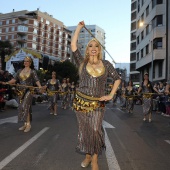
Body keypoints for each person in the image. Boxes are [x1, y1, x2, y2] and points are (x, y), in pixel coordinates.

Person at [71, 21, 121, 170]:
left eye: (96, 46)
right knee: (85, 131)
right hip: (81, 103)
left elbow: (118, 78)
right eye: (90, 46)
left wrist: (111, 95)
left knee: (95, 130)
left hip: (98, 104)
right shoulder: (82, 62)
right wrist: (79, 28)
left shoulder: (106, 64)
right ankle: (87, 155)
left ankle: (94, 160)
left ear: (99, 49)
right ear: (87, 50)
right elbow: (73, 45)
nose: (93, 48)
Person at [2, 56, 42, 132]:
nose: (25, 62)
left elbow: (36, 80)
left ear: (30, 63)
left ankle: (28, 124)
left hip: (29, 91)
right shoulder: (19, 71)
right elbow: (14, 79)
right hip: (20, 91)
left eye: (27, 61)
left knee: (25, 106)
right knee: (21, 107)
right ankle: (25, 124)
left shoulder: (32, 71)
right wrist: (7, 82)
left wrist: (40, 86)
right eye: (24, 61)